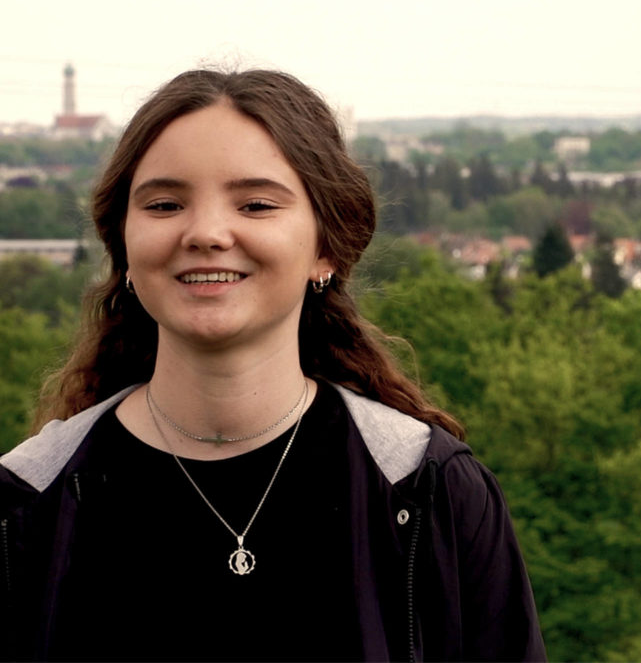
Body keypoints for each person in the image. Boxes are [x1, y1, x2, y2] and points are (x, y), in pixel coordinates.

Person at [0, 69, 546, 662]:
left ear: (327, 246)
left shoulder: (431, 493)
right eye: (164, 204)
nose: (206, 232)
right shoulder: (21, 511)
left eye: (256, 204)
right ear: (123, 245)